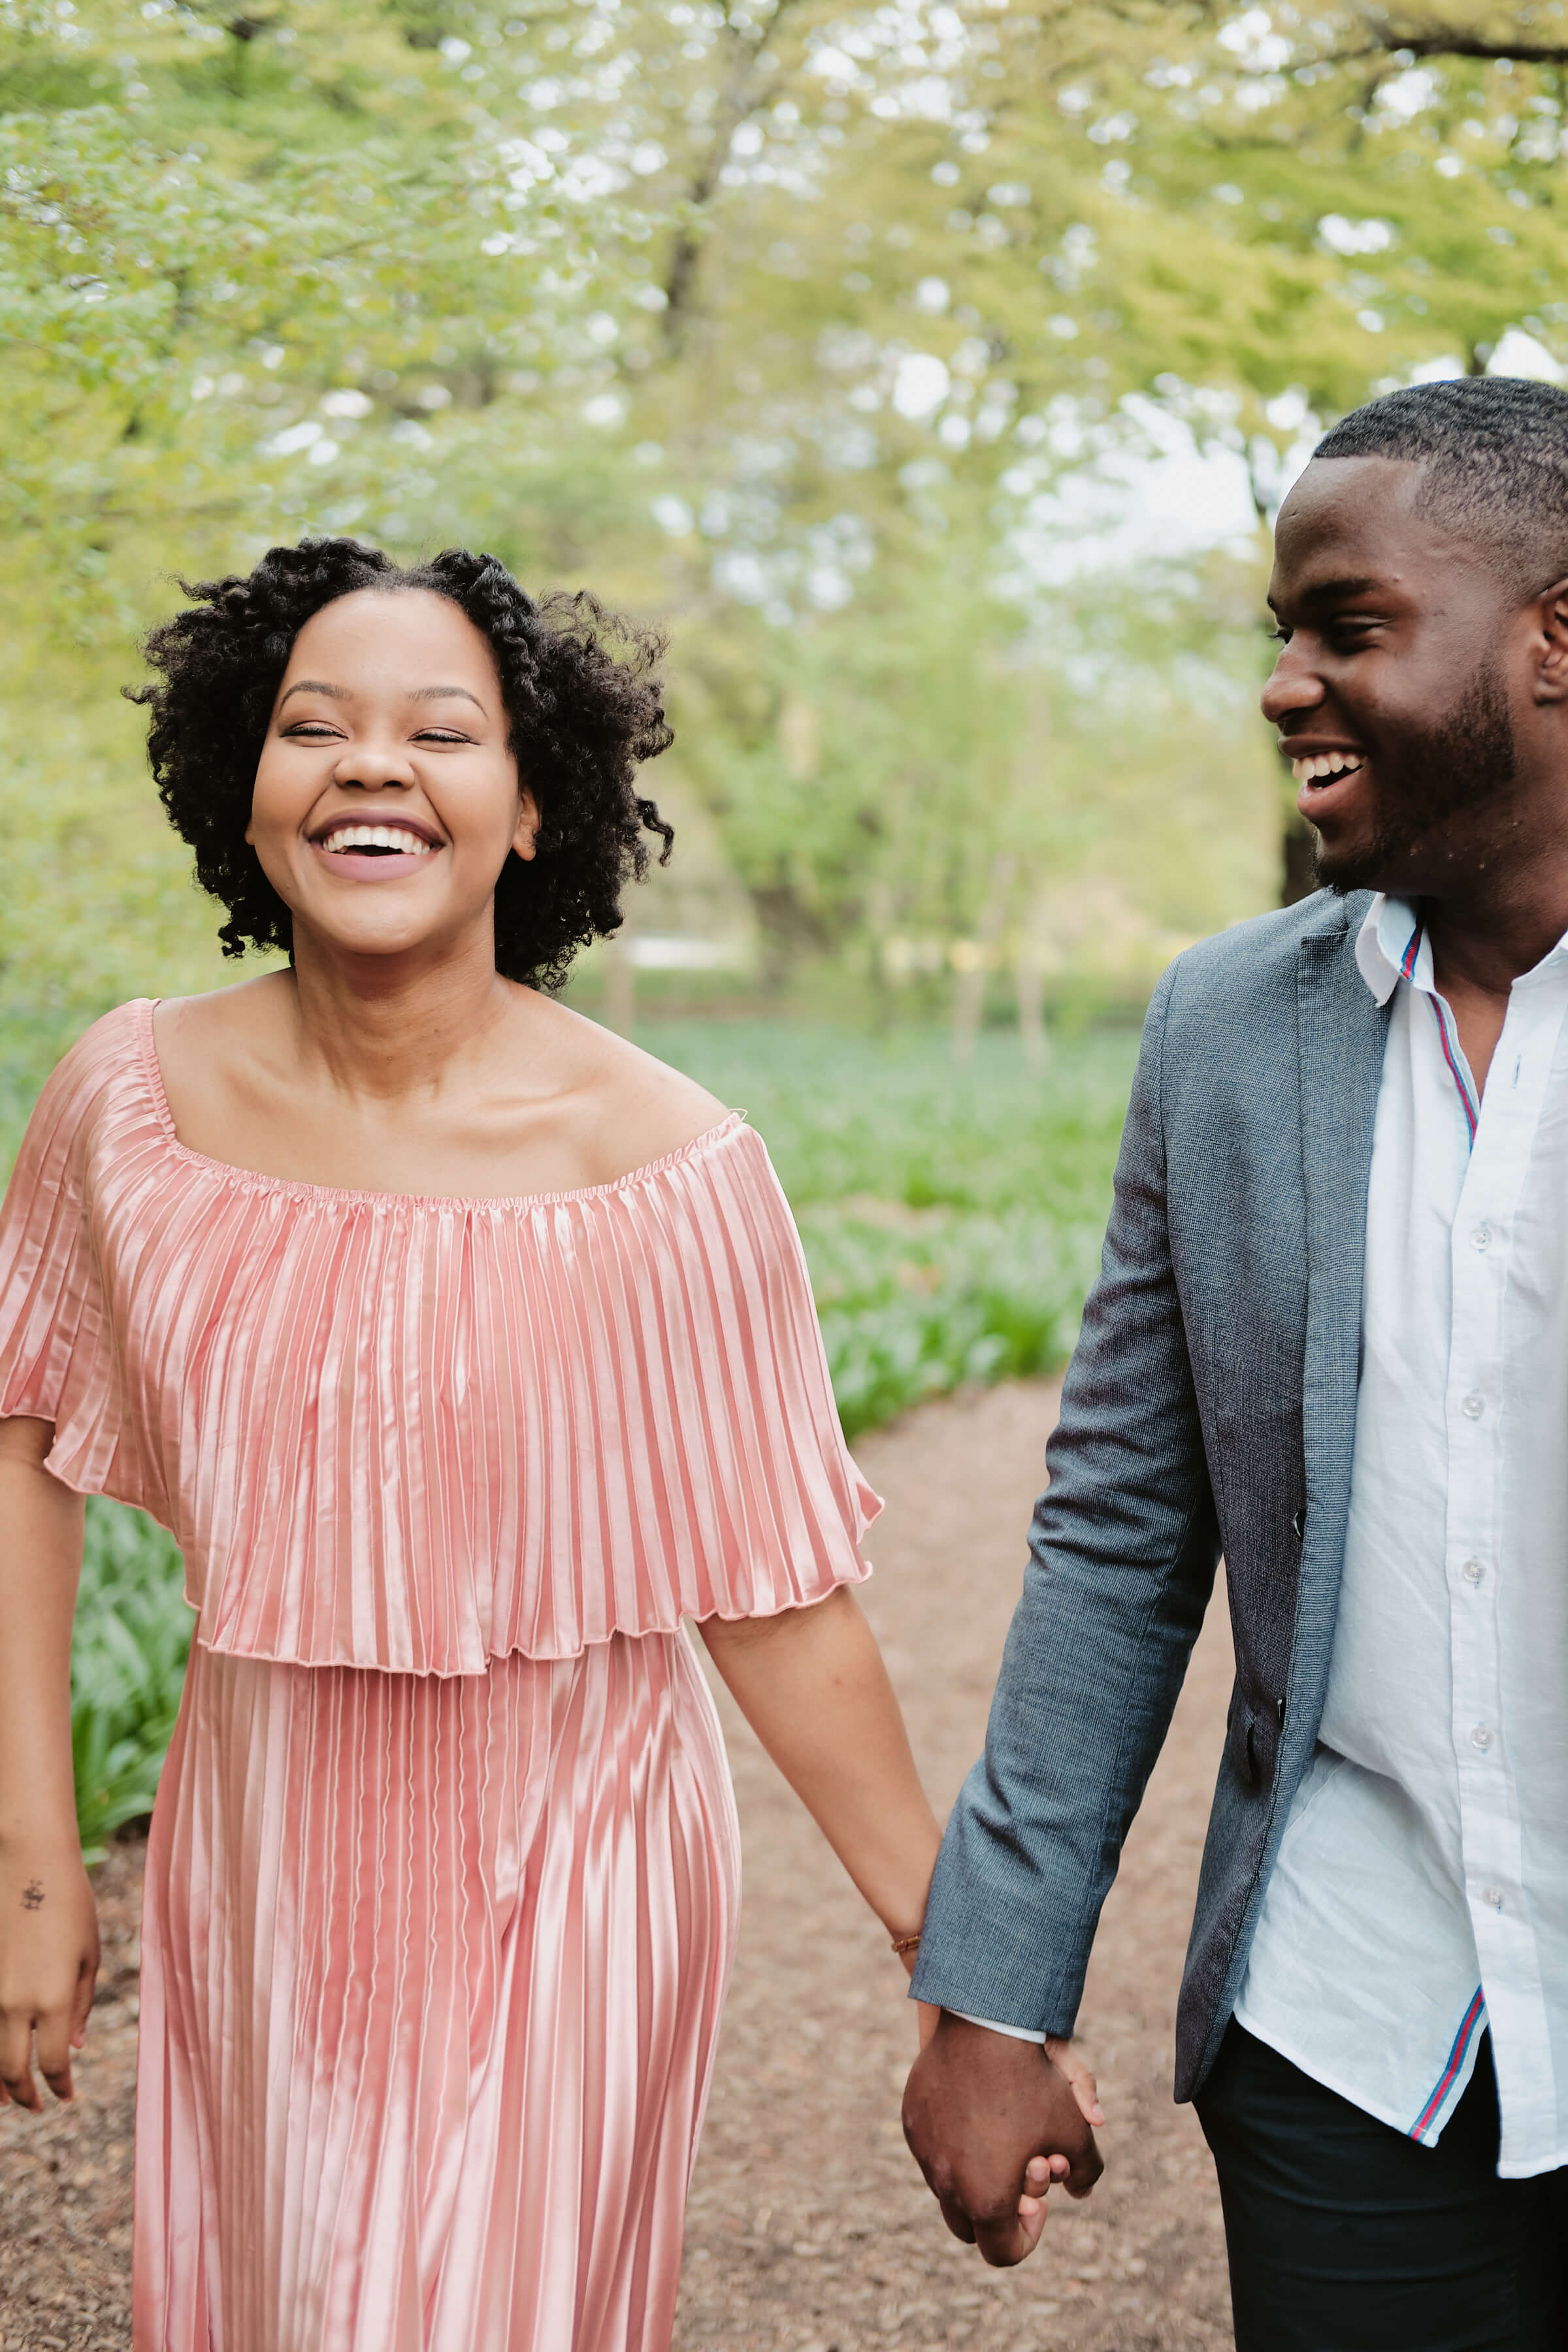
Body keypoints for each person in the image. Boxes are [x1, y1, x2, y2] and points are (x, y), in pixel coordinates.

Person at [0, 539, 947, 2352]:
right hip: (260, 1849)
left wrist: (961, 1969)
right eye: (313, 728)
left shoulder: (662, 1168)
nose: (370, 765)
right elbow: (23, 1439)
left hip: (571, 1859)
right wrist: (31, 1857)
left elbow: (782, 1607)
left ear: (531, 811)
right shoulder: (124, 1105)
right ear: (243, 793)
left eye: (442, 731)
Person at [900, 376, 1568, 2348]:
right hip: (1357, 2023)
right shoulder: (1223, 1034)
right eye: (1280, 636)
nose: (1286, 685)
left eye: (1348, 628)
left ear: (1557, 635)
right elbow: (1118, 1531)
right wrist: (996, 1989)